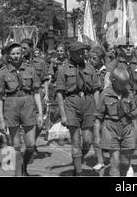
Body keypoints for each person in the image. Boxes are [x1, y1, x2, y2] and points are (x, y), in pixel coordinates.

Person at [0, 42, 44, 176]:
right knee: (15, 145)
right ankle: (17, 174)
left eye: (18, 53)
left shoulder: (30, 69)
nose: (16, 56)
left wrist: (40, 113)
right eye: (13, 54)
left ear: (22, 54)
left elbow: (36, 92)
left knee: (30, 145)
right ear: (8, 56)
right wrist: (1, 120)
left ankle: (23, 166)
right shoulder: (2, 72)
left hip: (28, 104)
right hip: (11, 105)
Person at [55, 41, 95, 176]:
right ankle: (78, 172)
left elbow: (96, 90)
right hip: (71, 104)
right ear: (70, 54)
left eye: (82, 52)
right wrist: (63, 114)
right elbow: (60, 93)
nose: (80, 55)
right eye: (77, 53)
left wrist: (98, 109)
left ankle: (77, 161)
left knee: (88, 140)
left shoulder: (90, 68)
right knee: (76, 140)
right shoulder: (63, 70)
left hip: (89, 104)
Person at [95, 67, 137, 176]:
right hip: (111, 129)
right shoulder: (105, 94)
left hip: (127, 129)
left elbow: (133, 115)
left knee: (125, 162)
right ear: (113, 81)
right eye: (122, 84)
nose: (125, 86)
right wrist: (97, 136)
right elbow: (98, 117)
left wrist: (136, 134)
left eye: (126, 84)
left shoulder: (129, 94)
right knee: (115, 162)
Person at [21, 38, 49, 158]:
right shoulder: (19, 62)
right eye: (21, 48)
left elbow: (45, 80)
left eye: (25, 48)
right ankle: (28, 147)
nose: (22, 50)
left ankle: (32, 144)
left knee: (39, 124)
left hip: (37, 95)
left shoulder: (40, 63)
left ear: (31, 48)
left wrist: (47, 95)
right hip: (24, 96)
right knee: (25, 124)